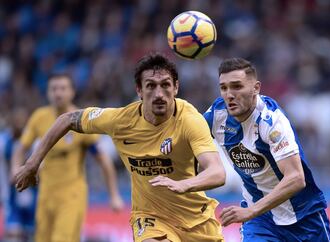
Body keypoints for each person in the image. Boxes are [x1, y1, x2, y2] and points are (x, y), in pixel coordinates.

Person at [15, 53, 226, 242]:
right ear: (139, 90)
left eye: (166, 85)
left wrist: (184, 185)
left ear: (176, 87)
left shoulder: (189, 120)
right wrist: (32, 164)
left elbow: (217, 172)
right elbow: (68, 119)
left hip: (196, 220)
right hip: (151, 217)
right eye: (151, 86)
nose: (159, 93)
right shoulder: (121, 120)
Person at [203, 58, 330, 241]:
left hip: (304, 216)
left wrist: (250, 211)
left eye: (237, 86)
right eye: (224, 88)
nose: (229, 95)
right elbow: (187, 139)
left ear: (256, 88)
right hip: (261, 220)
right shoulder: (217, 116)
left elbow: (296, 178)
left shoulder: (271, 121)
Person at [11, 74, 124, 242]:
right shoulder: (39, 118)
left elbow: (104, 160)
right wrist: (15, 171)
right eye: (53, 89)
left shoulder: (82, 121)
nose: (58, 93)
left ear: (72, 92)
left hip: (72, 196)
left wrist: (114, 195)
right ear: (48, 92)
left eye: (63, 88)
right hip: (45, 194)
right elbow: (20, 149)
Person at [1, 108, 37, 242]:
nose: (19, 124)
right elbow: (10, 176)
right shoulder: (4, 142)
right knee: (13, 235)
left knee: (33, 236)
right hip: (12, 198)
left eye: (22, 121)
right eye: (16, 121)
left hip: (34, 198)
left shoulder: (36, 143)